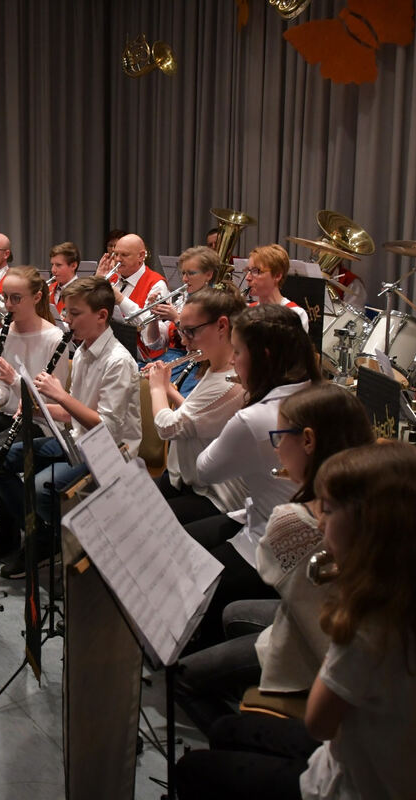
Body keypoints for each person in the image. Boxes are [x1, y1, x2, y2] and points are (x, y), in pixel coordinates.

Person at [176, 443, 416, 800]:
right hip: (407, 776)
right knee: (228, 730)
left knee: (192, 769)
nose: (321, 522)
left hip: (346, 787)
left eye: (328, 510)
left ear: (370, 530)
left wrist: (336, 619)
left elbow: (319, 723)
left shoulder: (365, 626)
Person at [174, 384, 375, 734]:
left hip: (319, 646)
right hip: (345, 627)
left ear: (308, 441)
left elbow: (267, 565)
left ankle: (239, 737)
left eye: (281, 438)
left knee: (182, 679)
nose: (278, 448)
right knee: (232, 612)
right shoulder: (366, 491)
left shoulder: (299, 517)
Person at [0, 276, 140, 579]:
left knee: (42, 487)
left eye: (74, 313)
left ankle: (63, 543)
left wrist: (60, 396)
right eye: (66, 312)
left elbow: (105, 427)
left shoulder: (118, 361)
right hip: (77, 440)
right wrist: (36, 408)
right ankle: (44, 534)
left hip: (109, 452)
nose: (66, 320)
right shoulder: (82, 351)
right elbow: (73, 414)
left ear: (101, 316)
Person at [187, 304, 321, 647]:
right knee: (188, 539)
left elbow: (204, 470)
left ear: (263, 357)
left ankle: (199, 648)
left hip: (277, 543)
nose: (233, 361)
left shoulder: (257, 417)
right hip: (304, 530)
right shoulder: (320, 392)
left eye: (238, 352)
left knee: (191, 575)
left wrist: (236, 413)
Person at [0, 266, 70, 556]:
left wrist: (14, 380)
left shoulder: (55, 338)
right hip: (11, 414)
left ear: (37, 297)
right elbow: (3, 396)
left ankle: (25, 530)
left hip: (42, 421)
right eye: (5, 298)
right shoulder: (4, 332)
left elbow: (51, 399)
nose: (8, 305)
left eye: (16, 298)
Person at [147, 288, 247, 524]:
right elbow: (200, 418)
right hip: (188, 479)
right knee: (131, 503)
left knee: (147, 521)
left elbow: (167, 428)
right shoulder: (216, 368)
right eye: (182, 331)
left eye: (190, 332)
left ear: (222, 326)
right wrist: (170, 389)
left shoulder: (230, 381)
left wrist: (156, 389)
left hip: (216, 494)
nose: (183, 341)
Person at [141, 246, 224, 395]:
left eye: (191, 273)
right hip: (173, 359)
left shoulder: (215, 303)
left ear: (208, 274)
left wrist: (176, 318)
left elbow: (202, 344)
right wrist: (154, 316)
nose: (185, 279)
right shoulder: (183, 299)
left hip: (198, 364)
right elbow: (156, 344)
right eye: (183, 273)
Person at [97, 232, 169, 360]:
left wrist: (121, 300)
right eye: (116, 254)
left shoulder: (156, 284)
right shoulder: (112, 277)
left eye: (124, 255)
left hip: (145, 359)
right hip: (111, 351)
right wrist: (97, 282)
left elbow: (150, 331)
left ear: (141, 256)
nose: (118, 259)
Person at [244, 244, 310, 333]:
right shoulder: (246, 311)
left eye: (255, 271)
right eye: (248, 270)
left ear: (277, 276)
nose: (247, 278)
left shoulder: (295, 314)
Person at [48, 241, 80, 315]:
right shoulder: (49, 289)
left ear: (73, 266)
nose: (53, 270)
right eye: (52, 264)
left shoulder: (82, 293)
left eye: (58, 265)